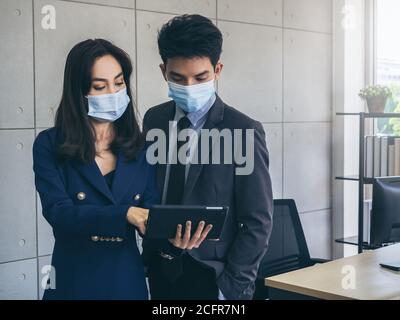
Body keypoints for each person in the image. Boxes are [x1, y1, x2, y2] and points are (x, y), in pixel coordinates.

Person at [142, 14, 274, 300]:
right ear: (164, 71)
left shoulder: (244, 130)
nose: (189, 87)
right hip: (160, 270)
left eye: (200, 77)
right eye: (178, 78)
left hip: (215, 278)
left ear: (217, 70)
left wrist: (228, 289)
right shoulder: (154, 120)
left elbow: (258, 222)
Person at [33, 39, 159, 300]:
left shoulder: (140, 147)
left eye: (119, 82)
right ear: (79, 93)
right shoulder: (50, 145)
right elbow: (59, 214)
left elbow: (151, 214)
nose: (113, 92)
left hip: (127, 282)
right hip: (73, 281)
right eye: (100, 86)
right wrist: (124, 214)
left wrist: (176, 240)